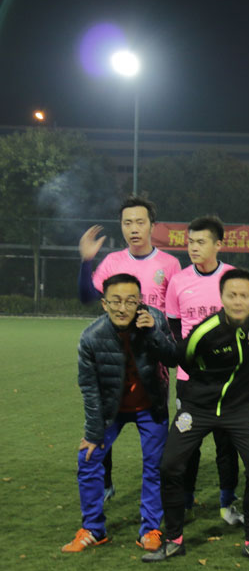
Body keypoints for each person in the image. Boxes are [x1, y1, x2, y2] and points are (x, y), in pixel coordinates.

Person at [145, 269, 249, 564]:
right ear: (221, 297)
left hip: (240, 410)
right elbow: (178, 358)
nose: (238, 301)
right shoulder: (205, 331)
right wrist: (151, 334)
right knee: (170, 466)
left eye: (244, 295)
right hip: (198, 409)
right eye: (232, 295)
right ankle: (173, 540)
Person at [62, 274, 178, 553]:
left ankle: (150, 529)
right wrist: (93, 433)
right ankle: (93, 529)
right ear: (104, 304)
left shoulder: (155, 319)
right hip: (110, 410)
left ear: (140, 302)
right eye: (115, 301)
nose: (123, 308)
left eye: (130, 301)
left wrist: (153, 332)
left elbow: (173, 358)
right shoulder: (91, 337)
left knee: (155, 465)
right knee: (88, 458)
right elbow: (89, 387)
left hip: (150, 405)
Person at [77, 195, 182, 502]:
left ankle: (160, 496)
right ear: (121, 227)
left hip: (151, 358)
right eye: (127, 223)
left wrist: (171, 347)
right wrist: (86, 261)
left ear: (152, 226)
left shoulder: (169, 264)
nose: (134, 228)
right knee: (106, 416)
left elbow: (174, 314)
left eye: (139, 222)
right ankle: (105, 483)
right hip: (113, 355)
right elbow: (87, 296)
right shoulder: (113, 262)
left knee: (154, 433)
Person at [164, 216, 242, 525]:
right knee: (188, 444)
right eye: (190, 242)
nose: (193, 248)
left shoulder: (233, 278)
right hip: (190, 381)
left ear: (218, 244)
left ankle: (227, 504)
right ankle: (185, 502)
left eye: (200, 242)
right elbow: (174, 326)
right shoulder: (179, 281)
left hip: (227, 381)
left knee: (227, 444)